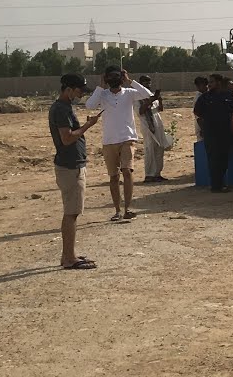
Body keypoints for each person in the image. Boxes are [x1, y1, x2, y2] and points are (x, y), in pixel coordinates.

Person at [86, 66, 153, 221]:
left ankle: (127, 208)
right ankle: (117, 210)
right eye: (111, 76)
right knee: (114, 177)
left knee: (127, 171)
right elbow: (89, 105)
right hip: (109, 141)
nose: (114, 79)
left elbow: (148, 94)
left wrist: (130, 81)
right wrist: (100, 85)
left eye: (117, 76)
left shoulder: (129, 93)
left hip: (127, 139)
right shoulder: (102, 95)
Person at [51, 74, 102, 270]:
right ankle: (69, 258)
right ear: (69, 89)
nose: (81, 94)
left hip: (72, 164)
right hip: (70, 166)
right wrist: (88, 125)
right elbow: (67, 138)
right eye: (80, 90)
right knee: (71, 213)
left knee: (72, 212)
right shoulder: (61, 109)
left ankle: (68, 254)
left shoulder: (63, 107)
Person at [194, 73, 233, 193]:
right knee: (213, 159)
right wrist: (204, 128)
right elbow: (197, 113)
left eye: (212, 82)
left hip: (225, 133)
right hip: (211, 134)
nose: (209, 84)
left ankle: (221, 183)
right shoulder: (204, 98)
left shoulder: (227, 96)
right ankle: (216, 185)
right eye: (209, 82)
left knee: (223, 159)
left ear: (219, 83)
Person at [136, 75, 168, 183]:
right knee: (150, 150)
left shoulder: (151, 95)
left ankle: (157, 174)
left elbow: (160, 109)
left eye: (149, 82)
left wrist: (159, 100)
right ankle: (149, 175)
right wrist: (150, 100)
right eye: (145, 82)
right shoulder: (137, 96)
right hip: (147, 126)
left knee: (160, 148)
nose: (148, 85)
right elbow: (141, 111)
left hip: (157, 124)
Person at [192, 76, 209, 141]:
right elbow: (198, 116)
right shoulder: (198, 98)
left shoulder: (206, 95)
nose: (206, 87)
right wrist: (203, 129)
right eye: (203, 85)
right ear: (198, 86)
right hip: (201, 127)